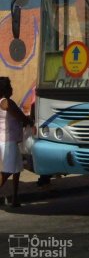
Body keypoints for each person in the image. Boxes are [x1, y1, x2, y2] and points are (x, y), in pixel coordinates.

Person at [0, 77, 32, 207]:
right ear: (5, 89)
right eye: (10, 87)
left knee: (16, 169)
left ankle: (15, 198)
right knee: (6, 172)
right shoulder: (6, 102)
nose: (12, 89)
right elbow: (21, 117)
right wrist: (29, 121)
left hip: (8, 141)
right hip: (8, 142)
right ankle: (14, 198)